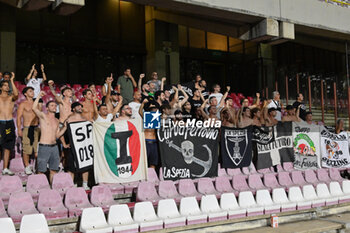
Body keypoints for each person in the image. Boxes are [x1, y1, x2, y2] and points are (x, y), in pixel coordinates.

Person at [32, 92, 67, 183]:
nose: (54, 107)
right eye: (52, 105)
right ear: (47, 108)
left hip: (54, 147)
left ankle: (52, 189)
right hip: (44, 146)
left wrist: (65, 127)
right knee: (41, 171)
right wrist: (39, 96)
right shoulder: (43, 116)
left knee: (53, 170)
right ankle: (40, 189)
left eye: (55, 106)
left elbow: (57, 135)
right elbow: (34, 108)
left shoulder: (57, 120)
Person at [17, 87, 41, 175]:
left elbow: (40, 116)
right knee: (26, 149)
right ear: (25, 94)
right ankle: (27, 166)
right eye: (30, 91)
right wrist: (19, 129)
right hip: (27, 128)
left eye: (33, 91)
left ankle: (37, 167)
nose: (33, 92)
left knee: (37, 150)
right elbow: (19, 117)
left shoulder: (36, 104)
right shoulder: (23, 104)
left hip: (36, 128)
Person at [65, 102, 90, 190]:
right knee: (71, 167)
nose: (80, 107)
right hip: (73, 147)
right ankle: (71, 185)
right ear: (73, 109)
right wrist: (64, 143)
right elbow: (60, 133)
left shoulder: (85, 119)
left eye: (81, 106)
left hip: (84, 146)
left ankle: (85, 184)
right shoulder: (69, 119)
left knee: (85, 165)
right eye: (78, 106)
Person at [0, 73, 18, 175]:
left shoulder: (11, 97)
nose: (7, 87)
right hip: (0, 122)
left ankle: (5, 168)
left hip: (9, 123)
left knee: (7, 147)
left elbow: (16, 94)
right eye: (5, 85)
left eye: (8, 85)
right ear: (1, 87)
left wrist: (12, 80)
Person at [139, 98, 159, 169]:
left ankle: (152, 178)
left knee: (153, 162)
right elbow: (140, 112)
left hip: (155, 142)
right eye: (153, 108)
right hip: (146, 141)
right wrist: (143, 103)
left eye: (156, 108)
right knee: (144, 162)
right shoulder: (146, 117)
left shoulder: (158, 118)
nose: (155, 109)